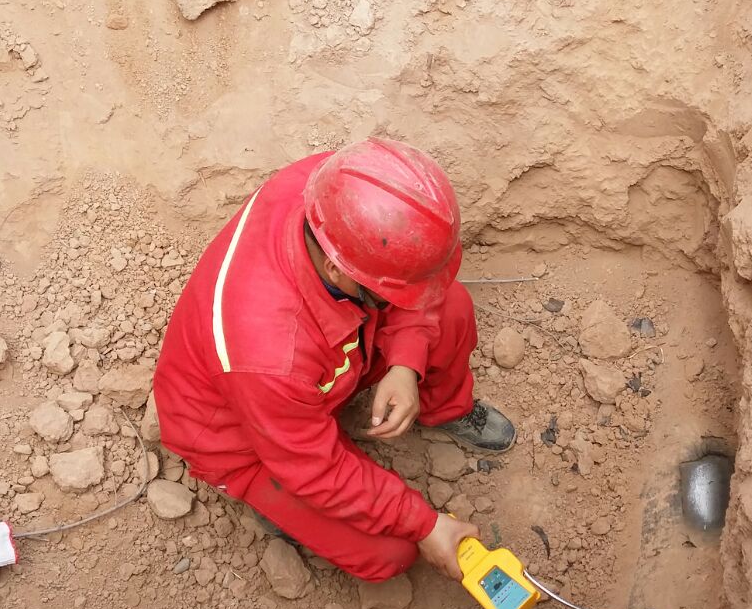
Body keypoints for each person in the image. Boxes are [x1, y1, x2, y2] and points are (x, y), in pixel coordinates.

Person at [152, 138, 515, 584]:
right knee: (390, 554)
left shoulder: (343, 189)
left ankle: (445, 408)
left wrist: (405, 363)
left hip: (316, 367)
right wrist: (426, 525)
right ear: (337, 271)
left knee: (450, 307)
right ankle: (275, 504)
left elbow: (420, 288)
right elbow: (314, 468)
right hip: (243, 438)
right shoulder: (268, 352)